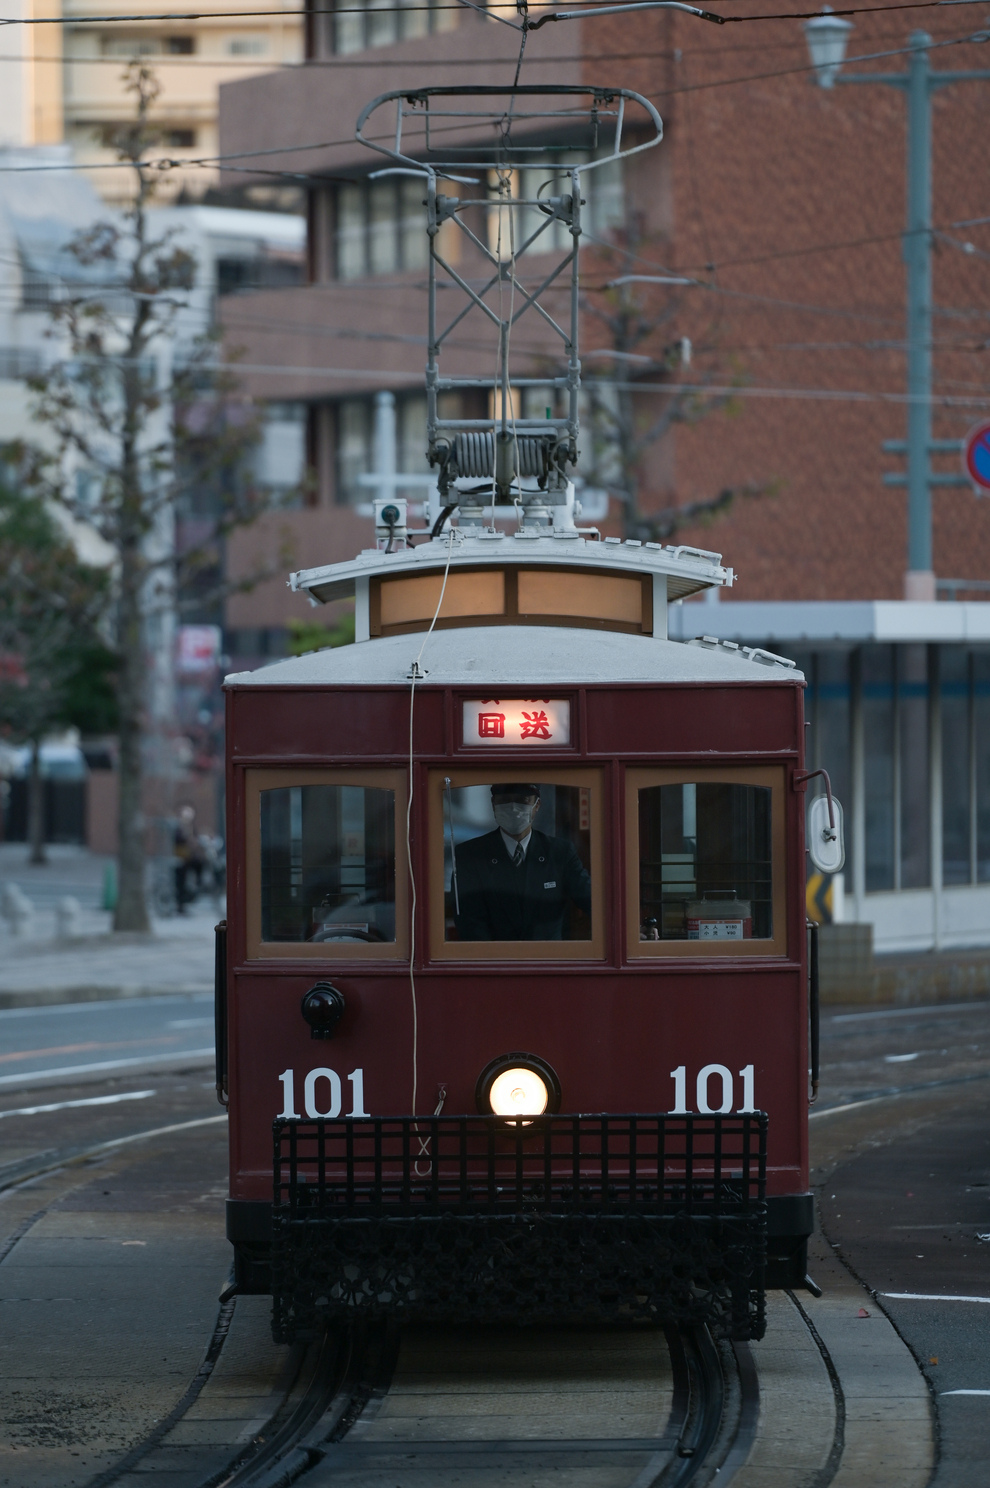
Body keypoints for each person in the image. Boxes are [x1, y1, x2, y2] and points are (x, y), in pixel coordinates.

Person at [453, 784, 592, 941]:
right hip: (493, 960)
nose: (513, 808)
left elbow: (592, 902)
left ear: (536, 805)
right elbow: (468, 920)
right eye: (505, 801)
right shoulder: (470, 854)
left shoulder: (559, 852)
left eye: (522, 800)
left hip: (550, 959)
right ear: (493, 804)